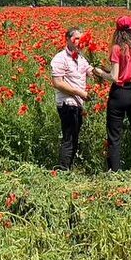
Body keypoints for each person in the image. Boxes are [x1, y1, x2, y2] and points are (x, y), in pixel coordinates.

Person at [90, 16, 131, 171]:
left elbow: (115, 77)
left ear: (117, 31)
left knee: (115, 136)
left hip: (120, 93)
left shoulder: (117, 48)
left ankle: (115, 172)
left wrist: (99, 71)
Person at [50, 26, 91, 170]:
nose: (80, 41)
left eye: (82, 38)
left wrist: (109, 74)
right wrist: (80, 93)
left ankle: (68, 168)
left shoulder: (80, 58)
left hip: (78, 104)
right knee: (69, 138)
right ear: (67, 39)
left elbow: (91, 71)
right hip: (67, 104)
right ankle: (62, 170)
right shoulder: (60, 58)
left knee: (74, 137)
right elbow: (57, 83)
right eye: (77, 38)